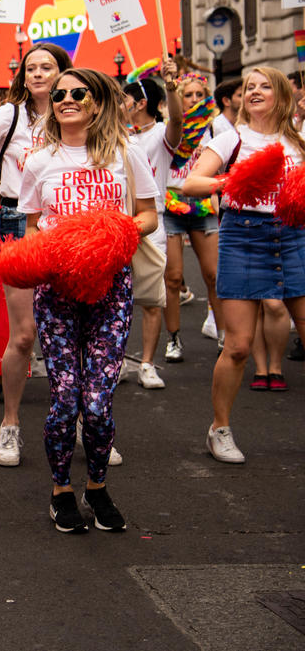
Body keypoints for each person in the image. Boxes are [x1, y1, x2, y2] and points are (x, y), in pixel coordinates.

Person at [19, 68, 159, 532]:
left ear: (97, 103)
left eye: (78, 93)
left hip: (109, 288)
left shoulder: (126, 153)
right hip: (57, 291)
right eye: (59, 94)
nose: (66, 99)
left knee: (98, 402)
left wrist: (106, 234)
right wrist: (53, 247)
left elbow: (148, 217)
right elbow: (33, 227)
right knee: (64, 398)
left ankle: (97, 487)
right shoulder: (39, 162)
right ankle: (61, 490)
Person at [0, 43, 72, 466]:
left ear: (63, 72)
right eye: (31, 68)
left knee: (71, 332)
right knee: (24, 335)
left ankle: (86, 423)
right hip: (17, 221)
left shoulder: (78, 110)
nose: (39, 74)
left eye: (47, 67)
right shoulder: (10, 114)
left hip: (67, 222)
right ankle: (10, 424)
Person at [182, 67, 305, 464]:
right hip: (244, 237)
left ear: (281, 95)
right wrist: (234, 180)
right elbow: (190, 184)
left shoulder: (297, 140)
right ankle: (219, 429)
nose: (253, 92)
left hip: (294, 236)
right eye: (249, 87)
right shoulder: (231, 137)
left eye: (264, 86)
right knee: (236, 347)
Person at [123, 67, 183, 390]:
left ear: (142, 102)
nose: (121, 103)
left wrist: (170, 87)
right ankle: (115, 361)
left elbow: (176, 121)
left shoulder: (160, 135)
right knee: (114, 299)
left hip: (151, 222)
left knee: (150, 298)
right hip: (119, 223)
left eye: (126, 98)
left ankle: (147, 363)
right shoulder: (117, 136)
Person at [162, 73, 224, 363]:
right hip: (171, 204)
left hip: (202, 203)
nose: (195, 100)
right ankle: (173, 339)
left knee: (213, 275)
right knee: (173, 278)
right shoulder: (171, 128)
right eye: (189, 95)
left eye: (200, 95)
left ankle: (224, 331)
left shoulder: (215, 127)